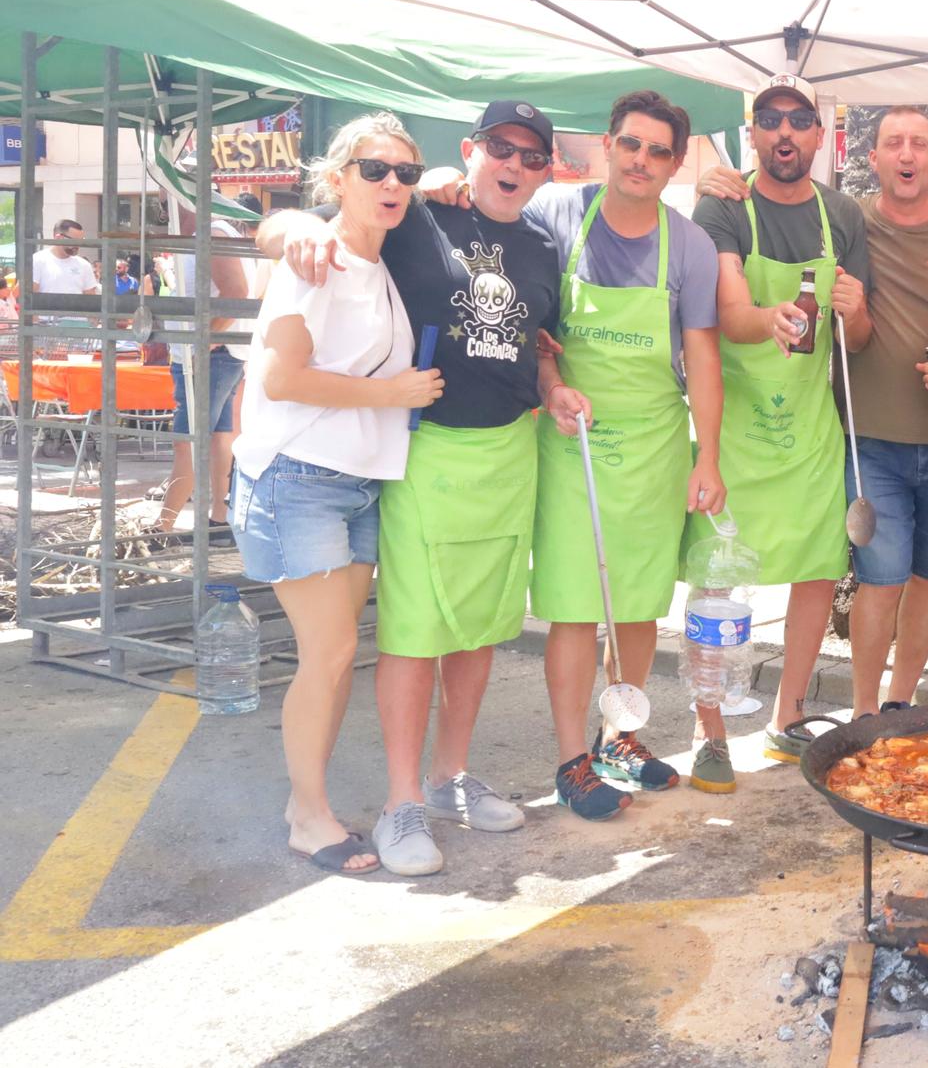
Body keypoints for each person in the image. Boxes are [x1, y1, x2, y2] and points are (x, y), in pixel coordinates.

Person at [262, 100, 562, 874]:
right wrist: (288, 225)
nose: (515, 165)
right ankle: (400, 801)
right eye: (502, 148)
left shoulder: (540, 244)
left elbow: (541, 339)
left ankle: (448, 777)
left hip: (509, 452)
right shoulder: (418, 214)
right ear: (472, 151)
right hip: (425, 453)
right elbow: (327, 223)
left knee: (479, 625)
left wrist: (553, 383)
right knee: (414, 629)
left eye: (533, 156)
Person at [703, 107, 928, 716]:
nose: (906, 155)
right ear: (873, 159)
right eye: (893, 142)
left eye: (919, 144)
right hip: (868, 437)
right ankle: (864, 711)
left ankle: (900, 700)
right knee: (880, 577)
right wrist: (724, 178)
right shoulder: (850, 216)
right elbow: (780, 184)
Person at [231, 113, 442, 876]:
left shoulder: (376, 262)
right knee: (330, 651)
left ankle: (305, 803)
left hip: (355, 483)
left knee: (334, 654)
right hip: (298, 477)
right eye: (373, 169)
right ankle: (308, 815)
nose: (392, 184)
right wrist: (388, 395)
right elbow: (279, 377)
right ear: (337, 178)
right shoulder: (314, 258)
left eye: (405, 174)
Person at [513, 91, 731, 808]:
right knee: (577, 604)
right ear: (608, 145)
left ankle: (619, 738)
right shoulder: (554, 215)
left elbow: (701, 356)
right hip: (573, 440)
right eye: (631, 144)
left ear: (674, 163)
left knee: (637, 600)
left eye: (658, 150)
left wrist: (708, 456)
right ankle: (572, 757)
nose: (641, 160)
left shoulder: (690, 245)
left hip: (655, 445)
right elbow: (534, 325)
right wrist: (550, 382)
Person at [693, 73, 872, 763]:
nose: (785, 132)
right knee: (716, 574)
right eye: (771, 119)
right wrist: (772, 318)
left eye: (799, 120)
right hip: (735, 420)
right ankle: (708, 728)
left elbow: (856, 345)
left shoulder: (844, 216)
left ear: (819, 136)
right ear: (754, 132)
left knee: (817, 568)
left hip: (811, 426)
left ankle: (787, 713)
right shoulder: (724, 207)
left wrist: (854, 313)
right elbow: (731, 314)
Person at [155, 197, 250, 532]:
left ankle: (163, 527)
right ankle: (219, 519)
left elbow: (236, 293)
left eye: (170, 206)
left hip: (211, 354)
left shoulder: (213, 232)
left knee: (188, 439)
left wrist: (206, 340)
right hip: (212, 353)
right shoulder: (207, 233)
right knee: (216, 437)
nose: (167, 216)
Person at [31, 219, 99, 296]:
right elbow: (30, 295)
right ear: (58, 238)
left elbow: (90, 298)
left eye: (81, 241)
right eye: (74, 241)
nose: (78, 245)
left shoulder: (84, 265)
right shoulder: (38, 260)